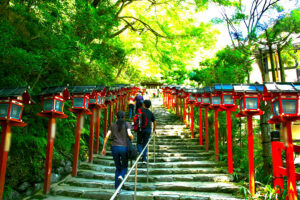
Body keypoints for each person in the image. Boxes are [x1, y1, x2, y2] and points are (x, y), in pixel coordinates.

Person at [101, 111, 133, 189]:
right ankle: (121, 176)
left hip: (114, 148)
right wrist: (131, 140)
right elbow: (129, 134)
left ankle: (117, 188)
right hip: (124, 148)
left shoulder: (112, 125)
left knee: (118, 168)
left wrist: (103, 148)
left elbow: (106, 136)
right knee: (124, 166)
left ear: (116, 117)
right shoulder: (127, 124)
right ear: (124, 117)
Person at [137, 100, 156, 164]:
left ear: (144, 104)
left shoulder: (140, 110)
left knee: (139, 143)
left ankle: (141, 153)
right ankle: (144, 159)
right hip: (148, 129)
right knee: (145, 144)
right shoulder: (150, 112)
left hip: (140, 129)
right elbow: (154, 121)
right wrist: (154, 129)